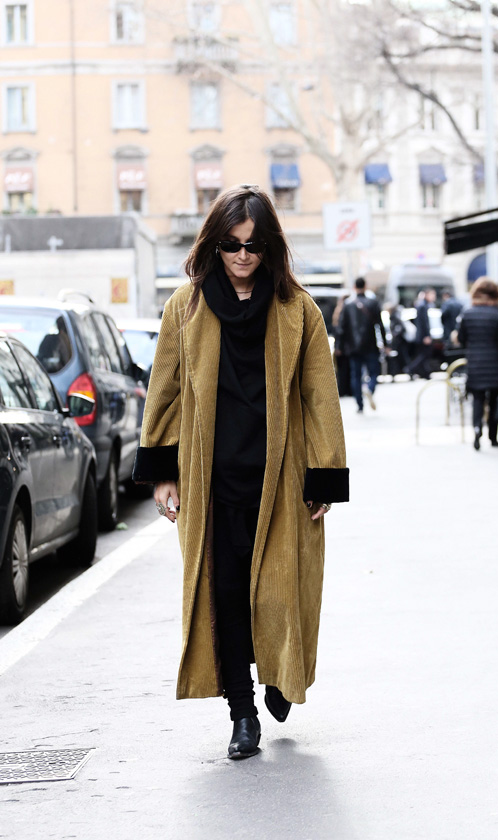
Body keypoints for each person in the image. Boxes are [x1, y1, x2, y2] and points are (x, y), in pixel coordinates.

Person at [131, 184, 350, 761]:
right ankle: (242, 714)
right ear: (214, 244)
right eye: (231, 244)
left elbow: (320, 398)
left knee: (279, 594)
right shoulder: (186, 307)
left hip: (280, 482)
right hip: (211, 481)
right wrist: (162, 472)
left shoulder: (298, 309)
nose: (242, 255)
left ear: (270, 246)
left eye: (253, 244)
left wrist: (324, 475)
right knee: (224, 597)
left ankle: (279, 678)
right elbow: (165, 391)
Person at [456, 277, 498, 450]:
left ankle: (477, 430)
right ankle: (493, 437)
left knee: (477, 399)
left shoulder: (467, 313)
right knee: (494, 400)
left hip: (475, 363)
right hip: (495, 364)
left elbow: (461, 338)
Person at [337, 277, 387, 412]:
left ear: (354, 287)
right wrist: (385, 343)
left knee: (356, 376)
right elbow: (380, 325)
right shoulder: (373, 303)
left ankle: (359, 405)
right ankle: (370, 388)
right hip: (370, 345)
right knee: (374, 372)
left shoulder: (347, 305)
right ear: (365, 286)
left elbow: (341, 328)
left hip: (353, 347)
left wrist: (339, 347)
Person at [403, 288, 437, 379]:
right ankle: (411, 369)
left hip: (421, 336)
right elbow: (423, 323)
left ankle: (424, 373)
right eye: (432, 294)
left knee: (423, 355)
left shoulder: (422, 305)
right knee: (423, 355)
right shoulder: (422, 306)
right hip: (423, 336)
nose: (434, 297)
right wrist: (426, 336)